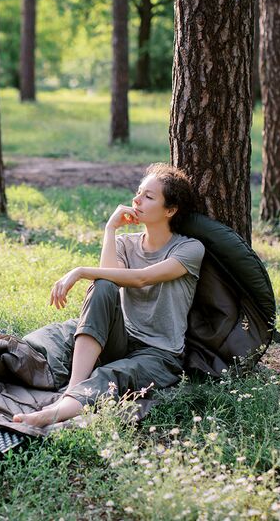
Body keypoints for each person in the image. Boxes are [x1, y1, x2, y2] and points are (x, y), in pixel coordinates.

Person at [13, 163, 205, 427]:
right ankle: (73, 388)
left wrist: (79, 271)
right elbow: (107, 279)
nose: (136, 200)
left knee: (112, 374)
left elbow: (142, 278)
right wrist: (110, 229)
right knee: (102, 285)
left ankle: (57, 411)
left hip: (159, 354)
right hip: (121, 338)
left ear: (170, 210)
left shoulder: (189, 249)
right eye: (138, 192)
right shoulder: (125, 244)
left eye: (148, 197)